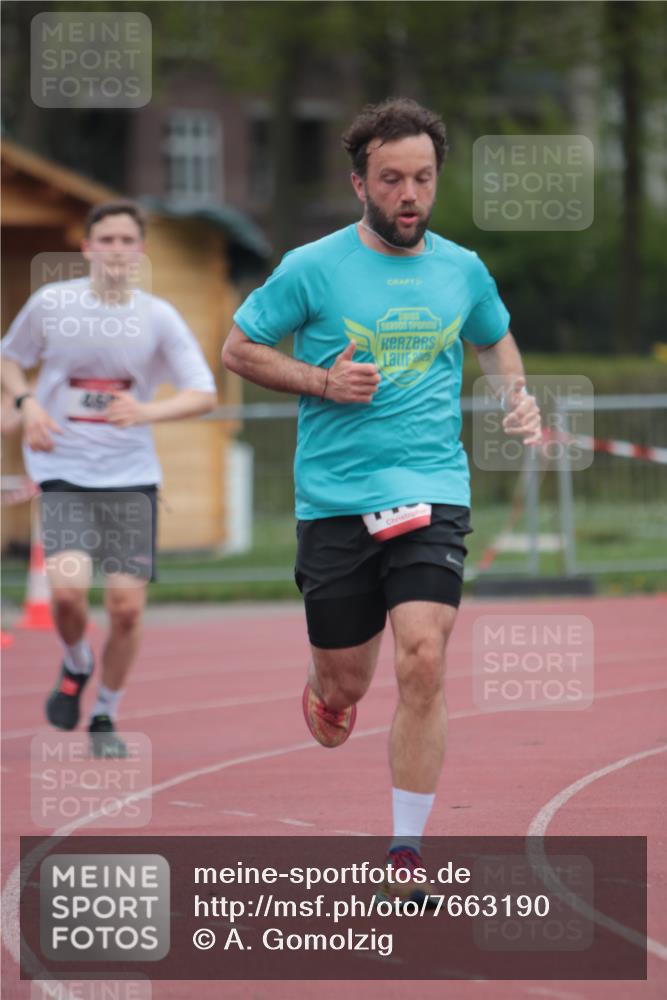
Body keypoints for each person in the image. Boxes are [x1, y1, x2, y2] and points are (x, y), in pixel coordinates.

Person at [222, 98, 541, 897]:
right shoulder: (311, 268)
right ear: (358, 181)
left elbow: (493, 333)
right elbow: (239, 348)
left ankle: (405, 853)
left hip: (431, 488)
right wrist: (323, 381)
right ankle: (324, 683)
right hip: (334, 498)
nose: (409, 195)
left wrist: (516, 395)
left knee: (424, 659)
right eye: (392, 179)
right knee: (347, 687)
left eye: (423, 179)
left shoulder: (461, 269)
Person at [1, 200, 217, 756]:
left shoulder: (158, 317)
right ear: (87, 247)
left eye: (128, 241)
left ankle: (104, 715)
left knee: (125, 608)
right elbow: (9, 358)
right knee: (69, 597)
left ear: (139, 251)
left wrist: (146, 412)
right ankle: (76, 664)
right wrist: (27, 404)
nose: (118, 250)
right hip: (64, 470)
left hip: (130, 477)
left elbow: (203, 392)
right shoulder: (53, 304)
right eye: (108, 240)